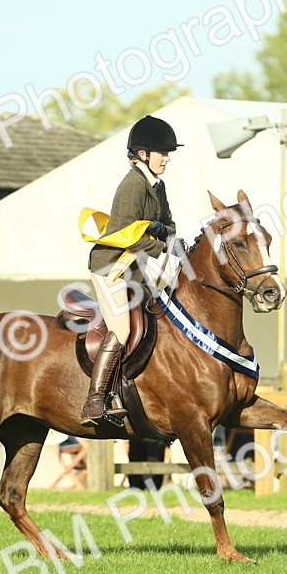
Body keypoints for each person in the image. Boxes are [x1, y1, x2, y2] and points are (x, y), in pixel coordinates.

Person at [80, 115, 183, 426]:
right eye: (162, 153)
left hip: (134, 268)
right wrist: (161, 245)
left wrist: (167, 233)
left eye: (168, 153)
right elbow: (128, 234)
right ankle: (95, 401)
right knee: (122, 329)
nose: (167, 159)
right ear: (143, 155)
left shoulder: (157, 186)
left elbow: (169, 223)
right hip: (110, 267)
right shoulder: (133, 186)